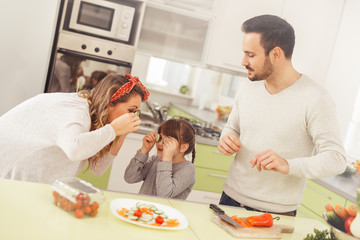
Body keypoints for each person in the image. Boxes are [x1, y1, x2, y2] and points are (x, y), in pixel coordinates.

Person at [217, 15, 347, 216]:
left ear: (276, 54)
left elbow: (336, 158)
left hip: (276, 214)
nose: (243, 61)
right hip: (229, 200)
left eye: (250, 55)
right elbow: (232, 127)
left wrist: (288, 164)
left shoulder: (315, 98)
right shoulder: (248, 86)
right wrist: (226, 138)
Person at [0, 73, 150, 184]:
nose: (134, 116)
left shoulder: (95, 118)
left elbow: (98, 169)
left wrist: (121, 133)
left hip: (31, 180)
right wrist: (114, 129)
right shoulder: (77, 112)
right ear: (111, 102)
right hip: (8, 172)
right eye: (131, 110)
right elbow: (75, 150)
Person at [124, 118, 196, 200]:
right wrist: (144, 150)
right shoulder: (155, 160)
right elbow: (130, 178)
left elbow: (164, 193)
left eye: (168, 140)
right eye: (160, 137)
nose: (160, 143)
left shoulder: (188, 169)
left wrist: (166, 160)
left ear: (183, 147)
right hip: (144, 209)